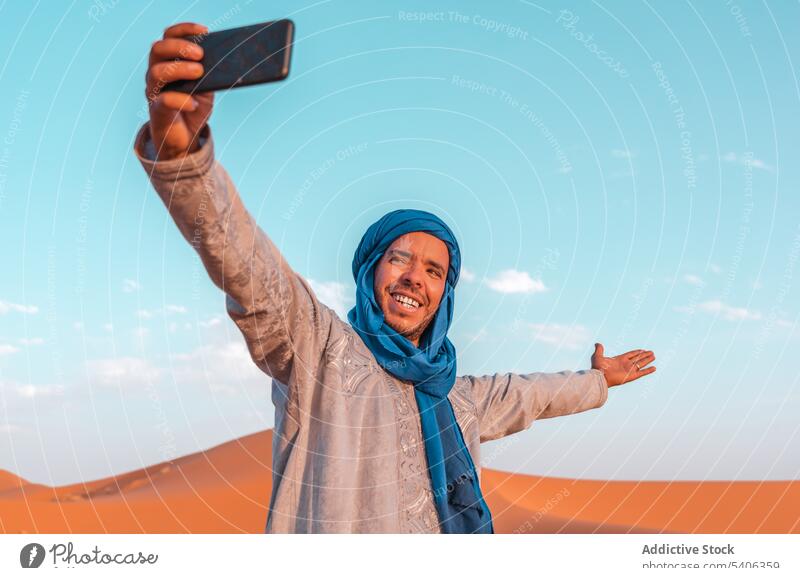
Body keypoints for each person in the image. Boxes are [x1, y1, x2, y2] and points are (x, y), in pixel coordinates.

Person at [135, 22, 657, 534]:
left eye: (434, 272)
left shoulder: (457, 397)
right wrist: (184, 160)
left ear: (445, 296)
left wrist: (597, 380)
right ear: (369, 270)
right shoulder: (318, 353)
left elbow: (533, 395)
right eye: (399, 259)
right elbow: (249, 270)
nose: (414, 279)